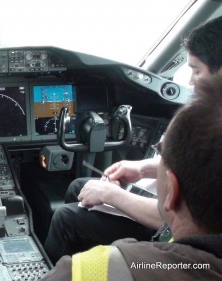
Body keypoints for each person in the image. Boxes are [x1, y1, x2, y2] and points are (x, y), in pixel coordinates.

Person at [43, 15, 222, 264]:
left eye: (196, 70)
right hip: (187, 228)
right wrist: (142, 168)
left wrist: (111, 195)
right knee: (79, 187)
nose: (191, 81)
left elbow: (179, 217)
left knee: (66, 218)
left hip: (189, 249)